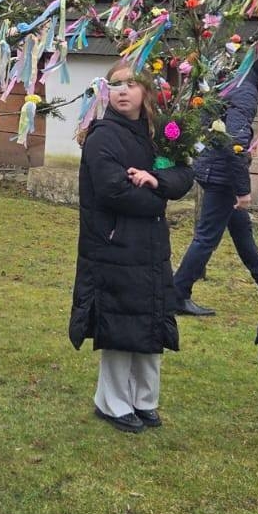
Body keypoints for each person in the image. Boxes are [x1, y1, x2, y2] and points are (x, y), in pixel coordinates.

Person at [69, 59, 195, 433]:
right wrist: (158, 199)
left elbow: (183, 172)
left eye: (131, 84)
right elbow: (113, 189)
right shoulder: (103, 135)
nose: (123, 90)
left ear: (146, 92)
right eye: (116, 85)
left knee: (150, 321)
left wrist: (157, 181)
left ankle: (144, 400)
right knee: (120, 324)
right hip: (114, 243)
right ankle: (112, 403)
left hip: (151, 246)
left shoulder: (159, 135)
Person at [172, 45, 258, 315]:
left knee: (243, 235)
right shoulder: (245, 92)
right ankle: (177, 294)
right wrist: (242, 189)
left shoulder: (237, 83)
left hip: (216, 170)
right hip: (222, 175)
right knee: (207, 238)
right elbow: (233, 141)